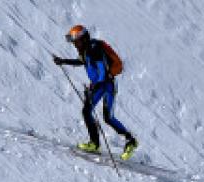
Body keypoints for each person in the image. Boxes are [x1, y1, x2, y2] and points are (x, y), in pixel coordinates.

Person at [52, 24, 139, 159]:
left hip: (105, 84)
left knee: (89, 112)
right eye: (74, 42)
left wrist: (94, 86)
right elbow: (81, 62)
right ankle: (129, 141)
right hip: (105, 84)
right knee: (107, 117)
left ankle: (97, 143)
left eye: (76, 41)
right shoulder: (87, 50)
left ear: (83, 38)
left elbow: (102, 70)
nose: (75, 44)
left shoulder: (94, 49)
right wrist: (63, 61)